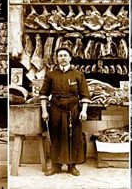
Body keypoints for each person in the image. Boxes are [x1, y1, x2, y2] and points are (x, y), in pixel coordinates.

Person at [40, 47, 91, 176]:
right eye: (60, 56)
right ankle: (55, 166)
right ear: (57, 59)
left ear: (70, 58)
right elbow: (44, 95)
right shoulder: (51, 75)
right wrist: (44, 111)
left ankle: (71, 166)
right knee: (56, 138)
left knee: (74, 138)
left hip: (73, 112)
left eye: (65, 55)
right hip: (55, 111)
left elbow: (85, 95)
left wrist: (83, 111)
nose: (62, 58)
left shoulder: (78, 74)